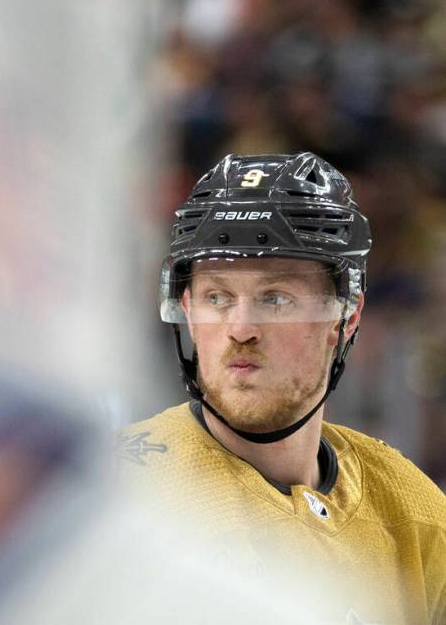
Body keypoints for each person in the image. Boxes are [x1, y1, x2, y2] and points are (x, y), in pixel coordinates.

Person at [118, 152, 446, 624]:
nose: (241, 328)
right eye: (218, 297)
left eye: (276, 298)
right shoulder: (119, 492)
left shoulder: (410, 510)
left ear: (346, 316)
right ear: (187, 310)